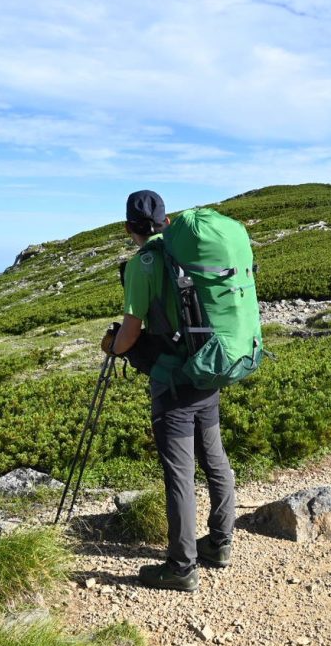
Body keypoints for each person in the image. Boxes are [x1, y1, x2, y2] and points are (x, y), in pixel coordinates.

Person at [101, 189, 236, 592]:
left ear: (128, 228)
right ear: (168, 222)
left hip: (173, 382)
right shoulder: (189, 254)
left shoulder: (144, 263)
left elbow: (129, 333)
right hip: (208, 371)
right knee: (215, 459)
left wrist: (110, 346)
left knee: (179, 475)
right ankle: (220, 543)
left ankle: (181, 567)